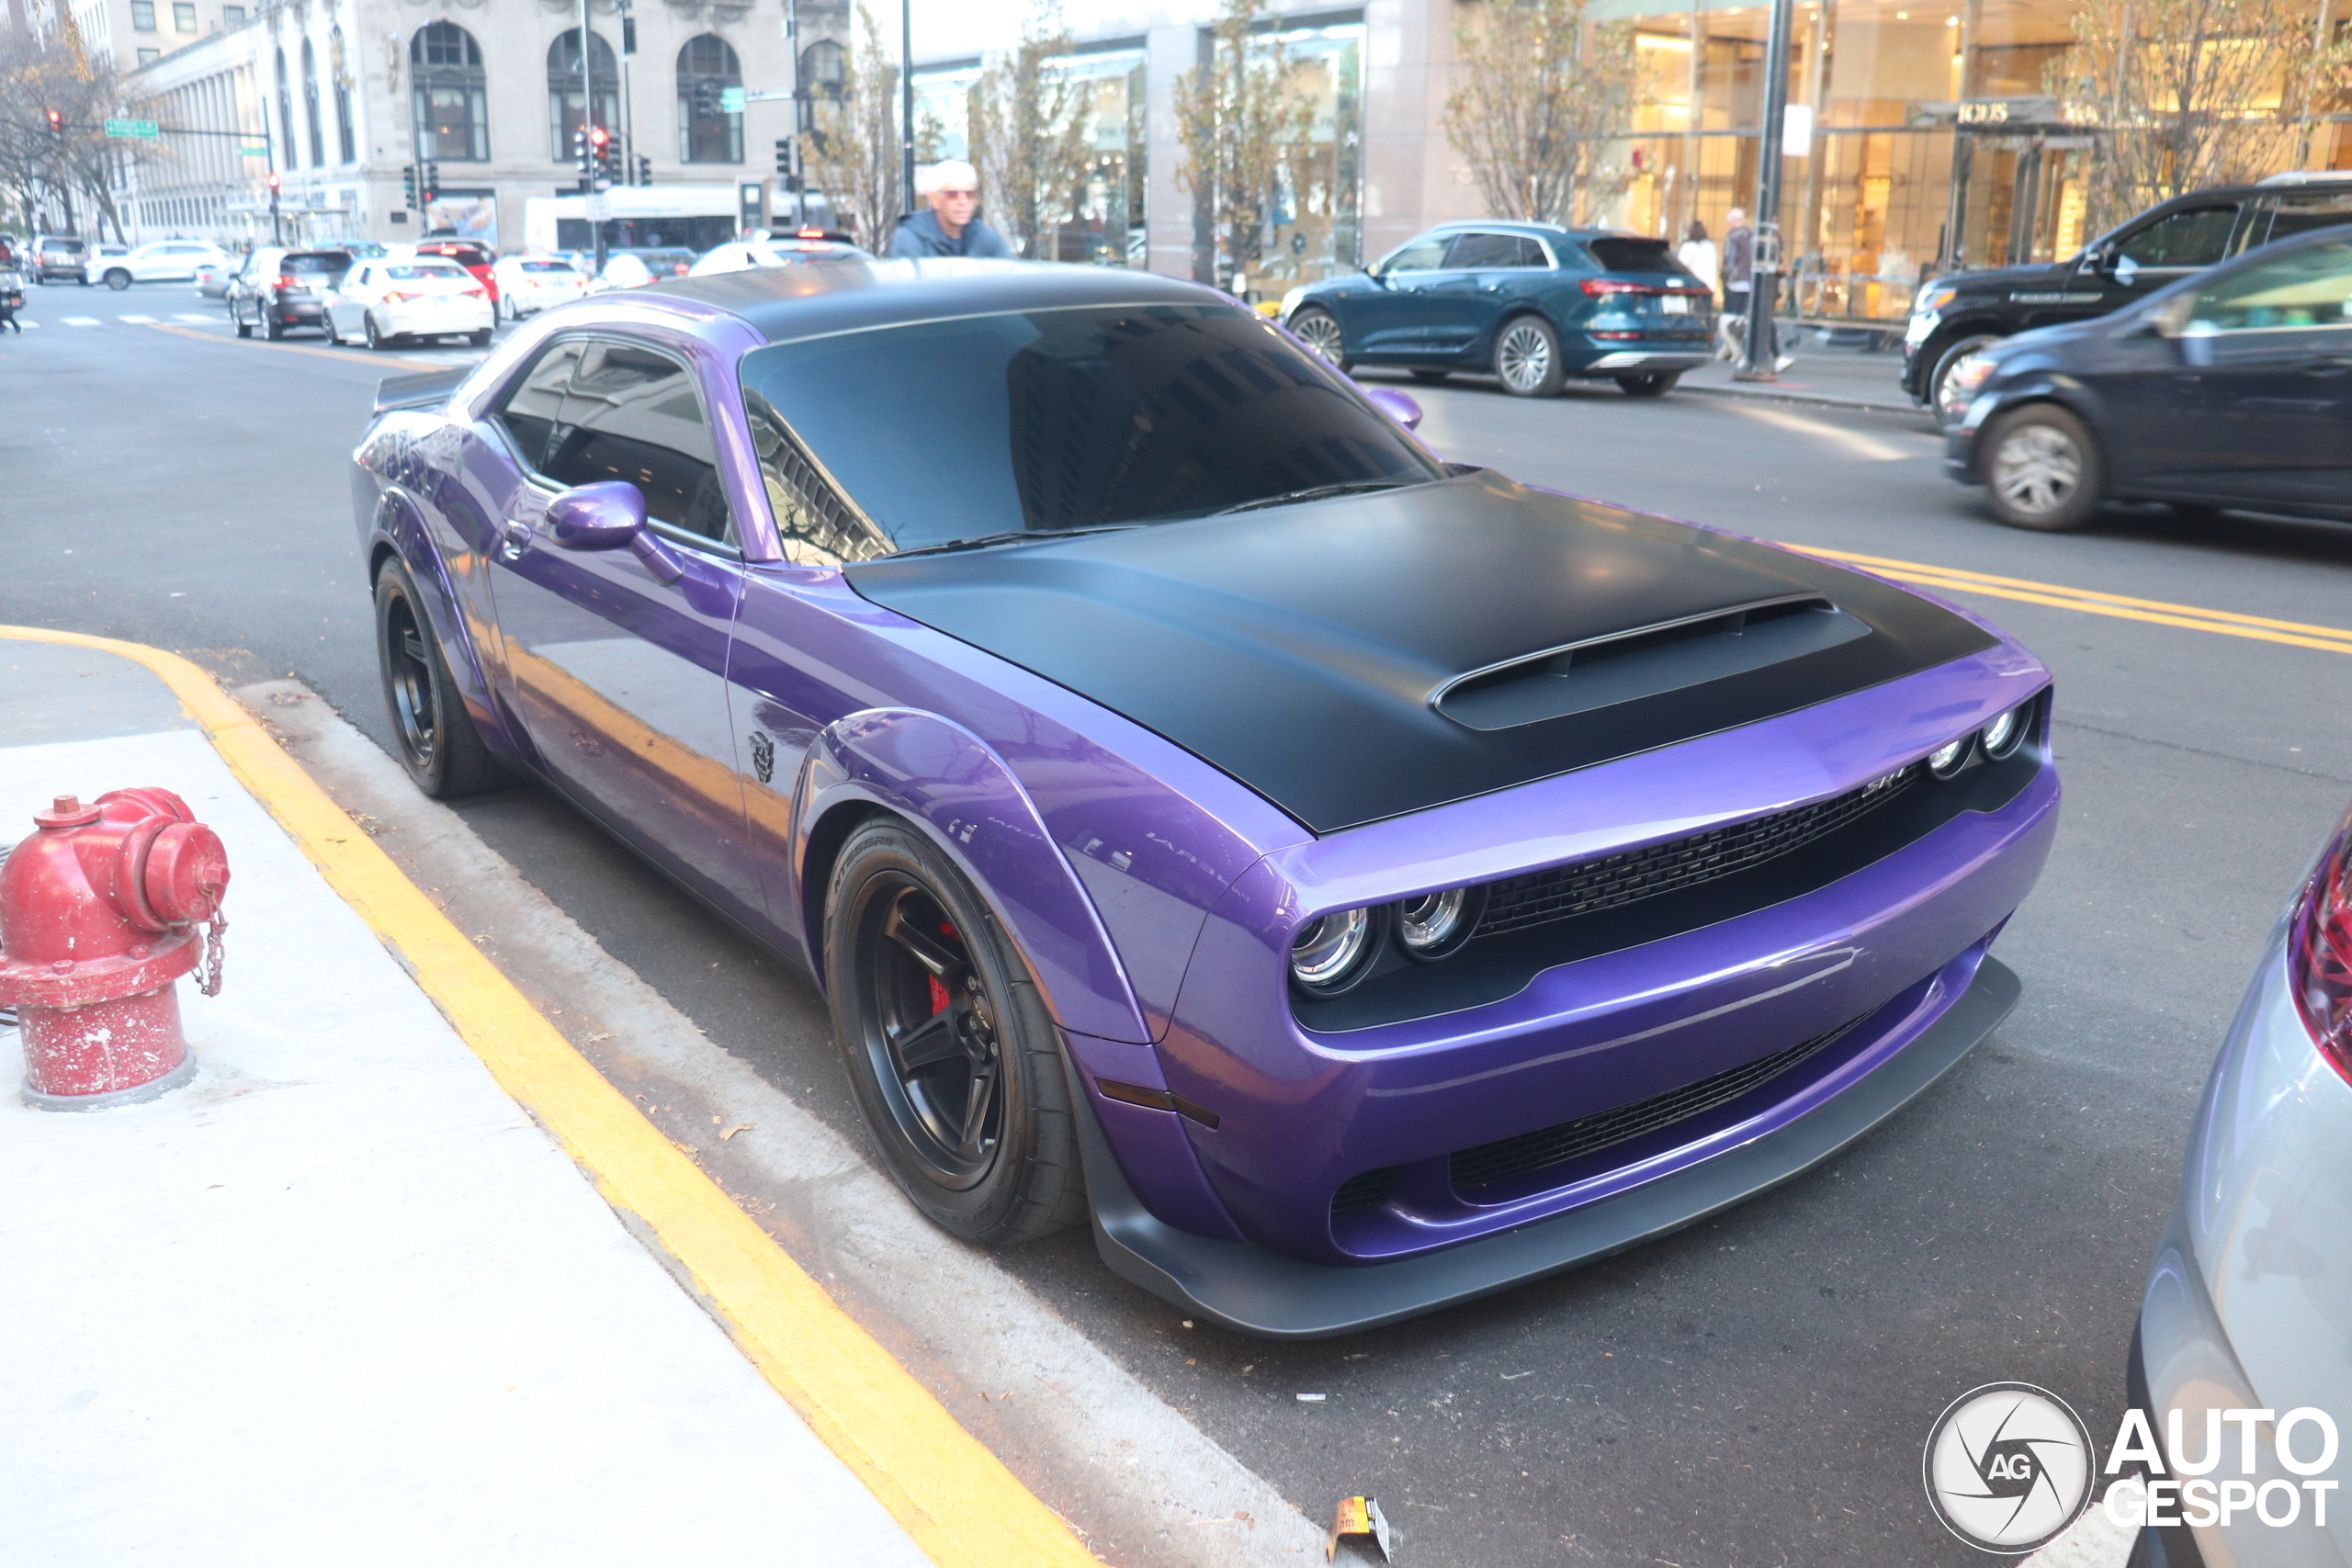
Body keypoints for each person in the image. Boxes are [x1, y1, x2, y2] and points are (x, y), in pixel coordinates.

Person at [888, 160, 1012, 260]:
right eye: (953, 194)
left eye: (969, 194)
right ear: (934, 199)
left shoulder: (984, 238)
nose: (962, 202)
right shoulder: (910, 239)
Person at [1720, 208, 1754, 360]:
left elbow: (1729, 259)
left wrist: (1725, 276)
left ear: (1731, 221)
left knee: (1728, 318)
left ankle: (1734, 349)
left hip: (1734, 281)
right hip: (1749, 282)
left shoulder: (1732, 236)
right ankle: (1730, 348)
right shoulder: (1751, 235)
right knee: (1741, 318)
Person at [1675, 220, 1719, 298]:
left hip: (1694, 287)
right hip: (1709, 287)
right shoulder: (1711, 246)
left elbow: (1681, 266)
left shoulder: (1688, 246)